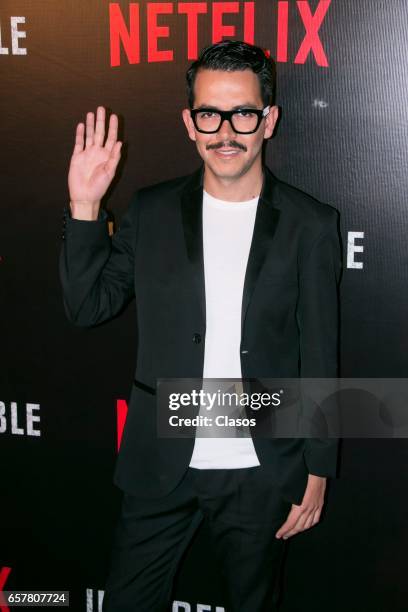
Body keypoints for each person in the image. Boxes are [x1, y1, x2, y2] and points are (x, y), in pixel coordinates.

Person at [60, 40, 341, 612]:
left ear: (270, 119)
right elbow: (87, 308)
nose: (227, 130)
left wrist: (318, 468)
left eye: (244, 113)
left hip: (262, 471)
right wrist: (85, 208)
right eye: (210, 113)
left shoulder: (312, 224)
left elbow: (321, 352)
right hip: (160, 460)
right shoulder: (152, 211)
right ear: (190, 123)